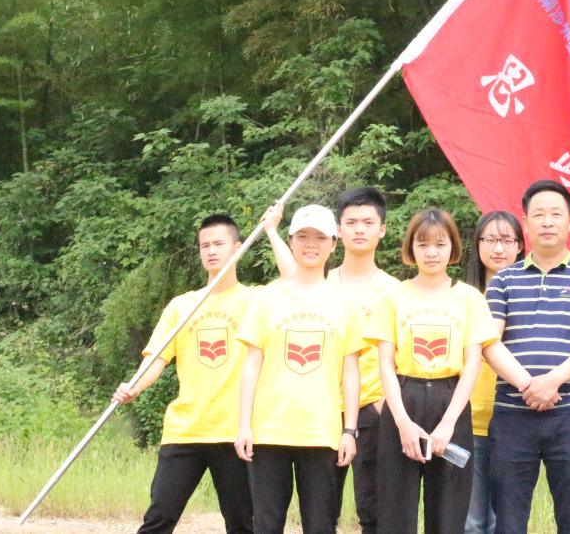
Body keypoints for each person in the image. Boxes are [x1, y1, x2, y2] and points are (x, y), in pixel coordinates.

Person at [264, 187, 400, 534]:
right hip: (322, 413)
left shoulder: (395, 290)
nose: (359, 229)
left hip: (372, 408)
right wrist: (272, 232)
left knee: (373, 507)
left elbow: (402, 354)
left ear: (382, 229)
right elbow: (290, 275)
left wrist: (385, 406)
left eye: (368, 222)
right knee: (323, 512)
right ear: (338, 231)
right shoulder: (323, 281)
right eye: (351, 222)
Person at [113, 215, 254, 534]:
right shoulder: (182, 306)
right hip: (185, 429)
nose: (211, 251)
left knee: (243, 523)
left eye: (219, 244)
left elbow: (293, 283)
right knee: (159, 518)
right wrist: (134, 386)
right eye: (205, 245)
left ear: (237, 247)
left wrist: (271, 229)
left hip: (234, 431)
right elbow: (156, 358)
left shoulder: (255, 301)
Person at [485, 180, 570, 534]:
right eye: (538, 214)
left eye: (556, 214)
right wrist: (528, 385)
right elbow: (489, 342)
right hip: (512, 414)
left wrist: (553, 381)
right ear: (525, 222)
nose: (547, 222)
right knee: (508, 520)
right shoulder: (503, 281)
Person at [366, 208, 499, 534]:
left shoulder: (469, 298)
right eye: (422, 244)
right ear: (410, 248)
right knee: (395, 512)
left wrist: (449, 423)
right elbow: (385, 363)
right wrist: (402, 423)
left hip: (450, 400)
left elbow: (473, 362)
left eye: (440, 244)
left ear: (453, 247)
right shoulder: (392, 295)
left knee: (448, 513)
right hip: (403, 398)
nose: (431, 252)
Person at [235, 204, 363, 534]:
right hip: (269, 430)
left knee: (320, 525)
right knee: (266, 524)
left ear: (333, 243)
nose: (310, 244)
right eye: (303, 236)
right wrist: (244, 424)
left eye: (319, 237)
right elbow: (252, 363)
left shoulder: (346, 302)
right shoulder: (266, 298)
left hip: (322, 431)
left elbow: (350, 370)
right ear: (291, 241)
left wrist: (349, 430)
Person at [463, 211, 526, 534]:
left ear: (520, 246)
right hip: (468, 420)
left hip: (516, 418)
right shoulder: (461, 297)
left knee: (507, 520)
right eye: (490, 239)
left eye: (506, 240)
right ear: (477, 244)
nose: (498, 248)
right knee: (473, 521)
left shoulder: (530, 299)